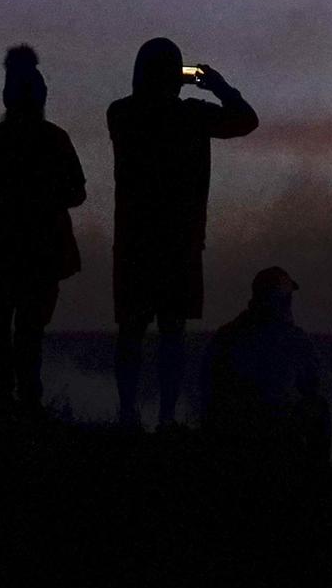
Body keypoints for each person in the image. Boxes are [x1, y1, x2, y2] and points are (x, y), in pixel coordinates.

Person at [106, 38, 257, 430]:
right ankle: (167, 417)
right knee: (172, 334)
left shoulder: (121, 113)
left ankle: (127, 413)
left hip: (135, 241)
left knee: (133, 332)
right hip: (179, 240)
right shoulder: (191, 116)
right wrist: (221, 87)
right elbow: (245, 120)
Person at [0, 45, 87, 413]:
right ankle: (28, 399)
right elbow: (77, 192)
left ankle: (2, 398)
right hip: (42, 252)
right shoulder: (55, 140)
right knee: (30, 331)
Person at [201, 264, 327, 462]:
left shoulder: (226, 335)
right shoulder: (294, 339)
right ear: (281, 301)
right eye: (286, 298)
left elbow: (206, 385)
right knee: (319, 406)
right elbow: (311, 385)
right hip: (269, 430)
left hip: (229, 428)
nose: (289, 303)